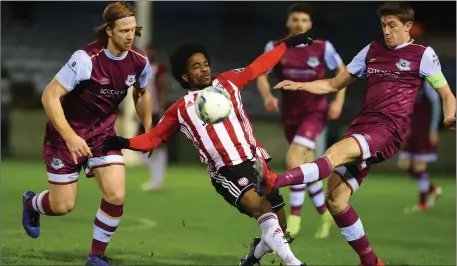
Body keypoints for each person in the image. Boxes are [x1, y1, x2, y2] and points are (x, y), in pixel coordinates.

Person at [258, 2, 456, 266]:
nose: (386, 31)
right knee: (336, 200)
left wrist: (449, 115)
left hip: (388, 130)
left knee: (333, 154)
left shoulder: (423, 54)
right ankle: (371, 261)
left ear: (408, 26)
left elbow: (446, 93)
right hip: (361, 126)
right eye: (383, 25)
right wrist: (300, 84)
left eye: (392, 25)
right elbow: (333, 83)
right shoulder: (371, 51)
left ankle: (275, 181)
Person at [102, 33, 314, 266]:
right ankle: (295, 264)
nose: (203, 69)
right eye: (196, 66)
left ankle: (254, 255)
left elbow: (258, 66)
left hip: (257, 161)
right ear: (185, 76)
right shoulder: (180, 109)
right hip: (228, 171)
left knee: (279, 227)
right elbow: (154, 137)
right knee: (263, 209)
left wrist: (285, 45)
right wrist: (124, 142)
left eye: (205, 64)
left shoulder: (228, 82)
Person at [21, 3, 153, 266]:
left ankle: (96, 256)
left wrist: (149, 129)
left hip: (102, 136)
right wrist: (70, 136)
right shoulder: (86, 59)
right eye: (124, 30)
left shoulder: (139, 61)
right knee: (62, 206)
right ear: (108, 30)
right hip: (64, 137)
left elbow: (142, 92)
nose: (130, 35)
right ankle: (31, 204)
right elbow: (49, 97)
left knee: (116, 195)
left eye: (133, 30)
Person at [257, 2, 347, 238]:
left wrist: (337, 102)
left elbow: (343, 73)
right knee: (302, 168)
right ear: (289, 22)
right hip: (290, 115)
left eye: (304, 20)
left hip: (315, 112)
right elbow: (261, 75)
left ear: (310, 24)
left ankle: (294, 218)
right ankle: (326, 216)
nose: (299, 24)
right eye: (295, 19)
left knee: (293, 158)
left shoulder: (322, 48)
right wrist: (268, 97)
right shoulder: (274, 47)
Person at [397, 81, 442, 213]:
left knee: (419, 166)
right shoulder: (406, 81)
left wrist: (433, 129)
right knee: (403, 164)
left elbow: (436, 105)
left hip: (424, 130)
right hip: (411, 130)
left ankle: (422, 203)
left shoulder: (427, 83)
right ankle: (432, 189)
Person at [138, 43, 169, 191]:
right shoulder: (141, 70)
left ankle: (158, 180)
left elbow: (163, 89)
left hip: (156, 112)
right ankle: (156, 179)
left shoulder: (159, 69)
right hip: (145, 112)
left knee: (159, 146)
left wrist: (163, 110)